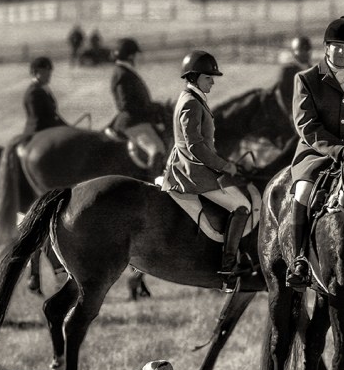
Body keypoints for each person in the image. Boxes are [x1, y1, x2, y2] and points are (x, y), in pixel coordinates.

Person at [287, 16, 344, 290]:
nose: (341, 51)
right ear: (326, 47)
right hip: (316, 154)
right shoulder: (306, 79)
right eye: (336, 46)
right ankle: (299, 260)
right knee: (303, 193)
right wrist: (338, 149)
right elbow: (306, 125)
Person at [160, 50, 250, 292]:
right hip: (192, 172)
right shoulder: (191, 102)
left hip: (194, 166)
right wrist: (224, 165)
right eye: (208, 77)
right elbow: (195, 145)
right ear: (195, 77)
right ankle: (228, 268)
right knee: (242, 207)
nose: (213, 82)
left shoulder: (192, 98)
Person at [106, 38, 165, 171]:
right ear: (131, 56)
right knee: (156, 150)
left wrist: (155, 107)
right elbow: (125, 104)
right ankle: (154, 182)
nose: (138, 58)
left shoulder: (126, 71)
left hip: (138, 119)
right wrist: (150, 108)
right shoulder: (121, 74)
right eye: (137, 54)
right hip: (132, 122)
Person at [24, 56, 68, 135]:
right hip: (37, 134)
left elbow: (53, 115)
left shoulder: (43, 89)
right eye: (44, 72)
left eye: (49, 72)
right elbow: (38, 120)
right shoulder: (34, 92)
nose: (48, 75)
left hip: (48, 131)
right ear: (35, 72)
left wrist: (68, 128)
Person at [278, 35, 313, 114]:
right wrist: (290, 113)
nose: (305, 53)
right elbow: (282, 94)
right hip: (291, 113)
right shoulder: (288, 71)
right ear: (294, 52)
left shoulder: (312, 70)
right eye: (301, 50)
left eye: (307, 50)